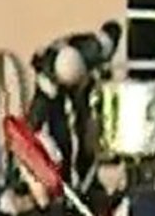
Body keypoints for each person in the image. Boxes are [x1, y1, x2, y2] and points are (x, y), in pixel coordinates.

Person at [28, 21, 122, 190]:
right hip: (57, 92)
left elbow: (114, 30)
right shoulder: (48, 81)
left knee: (86, 127)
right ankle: (67, 182)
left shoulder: (95, 48)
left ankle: (87, 176)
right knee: (62, 131)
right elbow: (34, 119)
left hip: (87, 84)